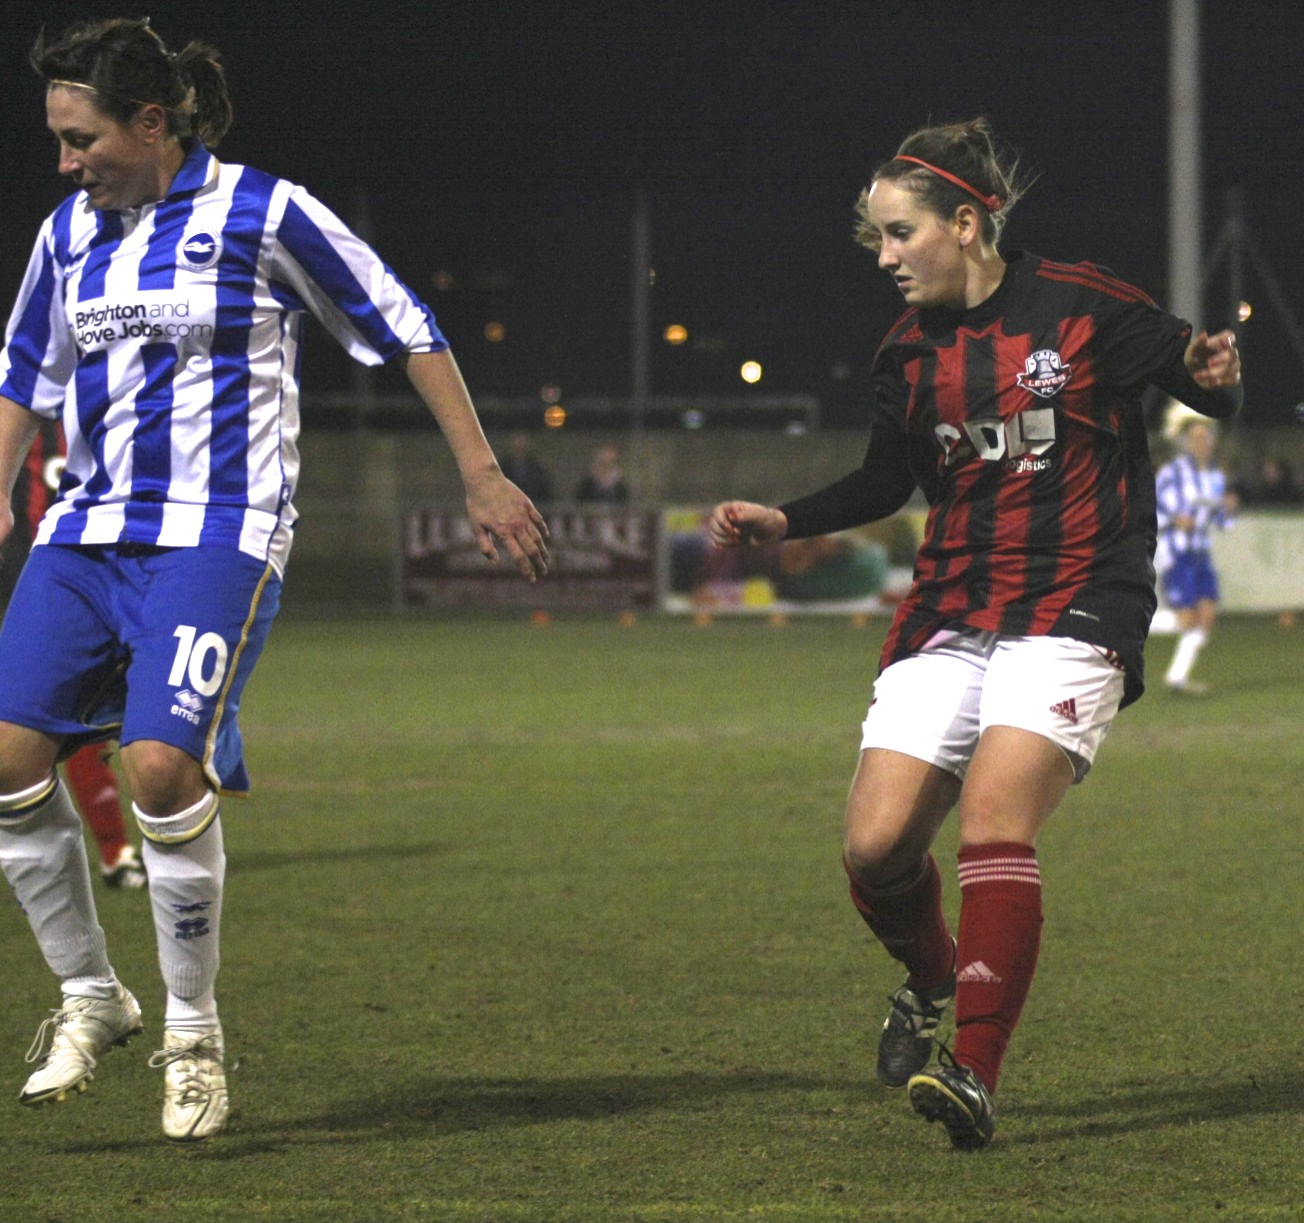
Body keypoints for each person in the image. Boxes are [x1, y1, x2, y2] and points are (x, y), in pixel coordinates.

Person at [0, 18, 548, 1143]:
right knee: (4, 758)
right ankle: (91, 995)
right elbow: (22, 372)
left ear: (151, 124)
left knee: (156, 764)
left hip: (219, 533)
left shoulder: (266, 211)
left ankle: (192, 1034)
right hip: (86, 531)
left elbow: (406, 325)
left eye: (82, 137)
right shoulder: (68, 234)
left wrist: (483, 473)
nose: (65, 163)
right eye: (57, 140)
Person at [708, 118, 1241, 1149]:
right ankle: (932, 975)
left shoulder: (1083, 305)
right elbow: (883, 477)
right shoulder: (904, 354)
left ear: (965, 221)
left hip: (1079, 599)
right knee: (873, 847)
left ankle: (974, 1071)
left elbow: (1188, 370)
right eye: (875, 237)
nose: (883, 255)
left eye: (899, 232)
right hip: (951, 607)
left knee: (994, 817)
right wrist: (786, 518)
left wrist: (1211, 371)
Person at [1, 418, 146, 889]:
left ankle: (113, 850)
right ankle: (111, 853)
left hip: (57, 580)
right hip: (44, 578)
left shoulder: (84, 411)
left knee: (65, 721)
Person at [1155, 412, 1237, 695]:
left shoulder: (1215, 477)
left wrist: (1228, 509)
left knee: (1207, 614)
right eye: (1196, 438)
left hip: (1201, 553)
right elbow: (1150, 511)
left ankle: (1177, 677)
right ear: (1187, 442)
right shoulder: (1172, 473)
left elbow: (1221, 523)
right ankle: (1135, 622)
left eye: (1206, 437)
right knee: (1187, 619)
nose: (1202, 443)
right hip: (1177, 553)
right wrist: (1174, 519)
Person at [500, 431, 555, 505]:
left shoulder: (536, 469)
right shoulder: (503, 468)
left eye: (522, 439)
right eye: (516, 439)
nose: (519, 444)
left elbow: (544, 491)